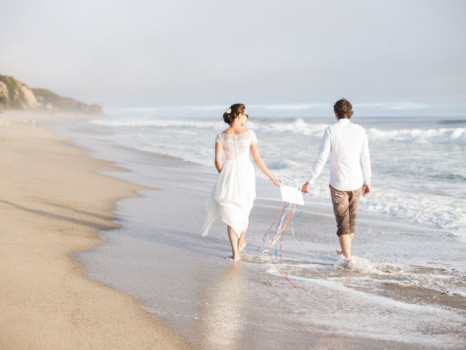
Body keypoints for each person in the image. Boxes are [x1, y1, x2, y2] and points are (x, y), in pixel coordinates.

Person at [202, 103, 281, 261]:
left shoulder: (221, 135)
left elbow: (217, 162)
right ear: (238, 115)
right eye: (245, 114)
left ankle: (235, 254)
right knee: (244, 209)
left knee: (231, 211)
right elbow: (257, 159)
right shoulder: (250, 134)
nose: (247, 117)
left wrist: (224, 175)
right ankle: (241, 242)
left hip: (229, 172)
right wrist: (272, 177)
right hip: (245, 173)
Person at [301, 98, 371, 263]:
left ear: (335, 113)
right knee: (350, 222)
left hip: (339, 183)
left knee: (343, 224)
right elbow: (366, 158)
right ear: (350, 112)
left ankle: (347, 259)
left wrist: (310, 180)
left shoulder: (331, 130)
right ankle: (345, 252)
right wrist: (368, 181)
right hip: (357, 181)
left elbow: (322, 157)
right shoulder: (360, 130)